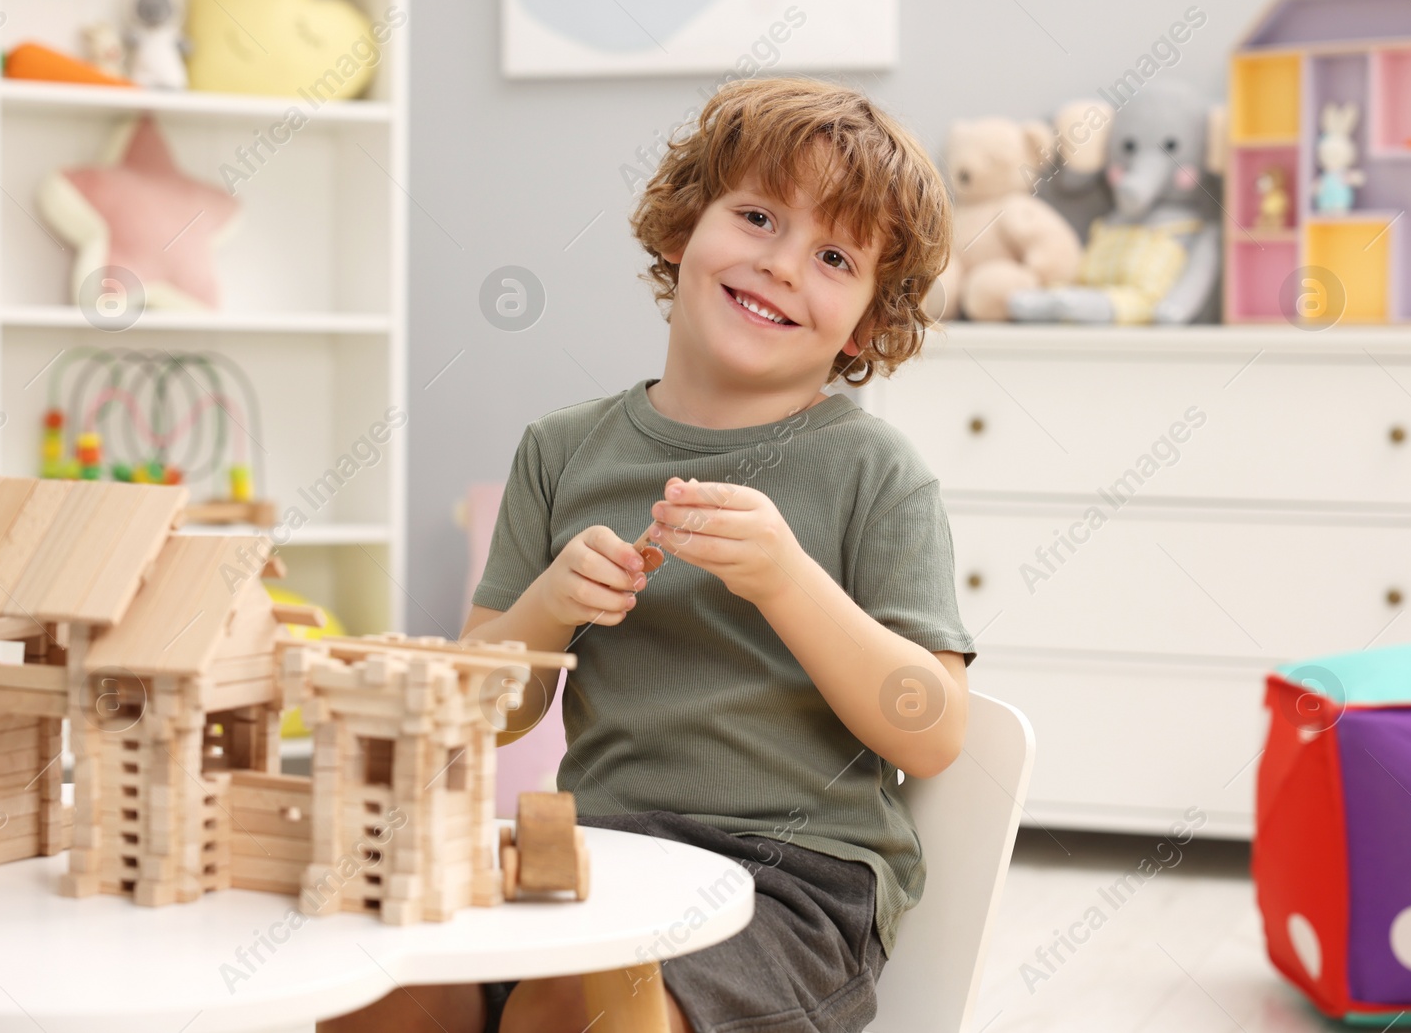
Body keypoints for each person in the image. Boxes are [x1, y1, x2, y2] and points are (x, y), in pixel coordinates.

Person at [321, 74, 973, 1033]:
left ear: (870, 322)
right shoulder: (561, 450)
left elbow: (933, 729)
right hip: (591, 851)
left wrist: (789, 582)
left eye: (834, 253)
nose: (784, 263)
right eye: (757, 216)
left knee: (570, 1011)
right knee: (379, 989)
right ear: (681, 229)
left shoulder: (878, 473)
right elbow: (484, 718)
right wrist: (549, 605)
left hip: (790, 885)